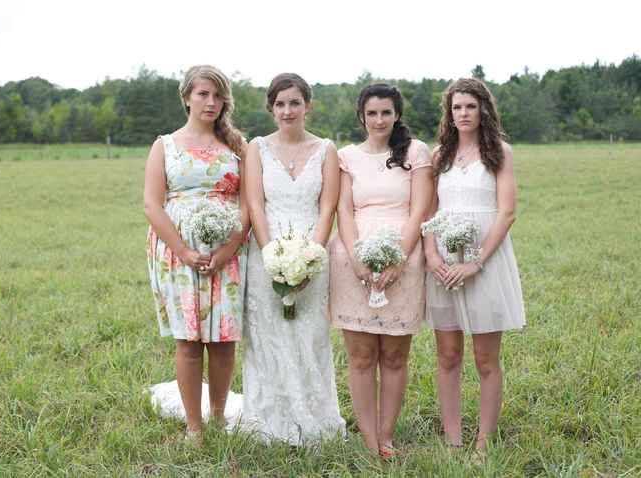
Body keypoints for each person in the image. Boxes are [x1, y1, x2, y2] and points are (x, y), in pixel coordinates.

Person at [144, 65, 249, 442]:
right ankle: (194, 426)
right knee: (189, 341)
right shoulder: (165, 145)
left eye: (218, 95)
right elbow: (152, 205)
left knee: (223, 339)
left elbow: (248, 204)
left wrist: (228, 248)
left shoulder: (238, 147)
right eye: (203, 94)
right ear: (186, 97)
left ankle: (219, 416)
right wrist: (184, 250)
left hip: (228, 253)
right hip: (177, 254)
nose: (211, 102)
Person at [328, 83, 433, 457]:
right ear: (361, 116)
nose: (379, 120)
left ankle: (386, 436)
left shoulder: (416, 152)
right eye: (371, 113)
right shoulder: (346, 157)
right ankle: (368, 437)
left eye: (386, 112)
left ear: (397, 115)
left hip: (403, 256)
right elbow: (342, 210)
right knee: (360, 357)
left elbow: (420, 209)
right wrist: (356, 256)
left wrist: (400, 259)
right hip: (352, 258)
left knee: (393, 355)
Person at [242, 73, 345, 444]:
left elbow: (328, 206)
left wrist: (313, 257)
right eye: (280, 104)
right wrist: (271, 254)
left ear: (308, 106)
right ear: (271, 108)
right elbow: (255, 203)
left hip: (312, 249)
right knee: (268, 336)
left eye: (294, 103)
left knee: (309, 333)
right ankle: (267, 417)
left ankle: (314, 414)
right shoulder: (256, 148)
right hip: (265, 249)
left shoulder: (326, 149)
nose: (288, 110)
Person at [424, 77, 525, 454]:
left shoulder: (500, 152)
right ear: (449, 114)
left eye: (470, 106)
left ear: (484, 109)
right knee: (448, 354)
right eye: (456, 107)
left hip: (484, 261)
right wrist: (432, 255)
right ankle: (453, 440)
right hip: (444, 265)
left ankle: (483, 443)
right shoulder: (441, 156)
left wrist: (477, 262)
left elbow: (507, 211)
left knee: (486, 359)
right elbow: (430, 211)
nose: (463, 114)